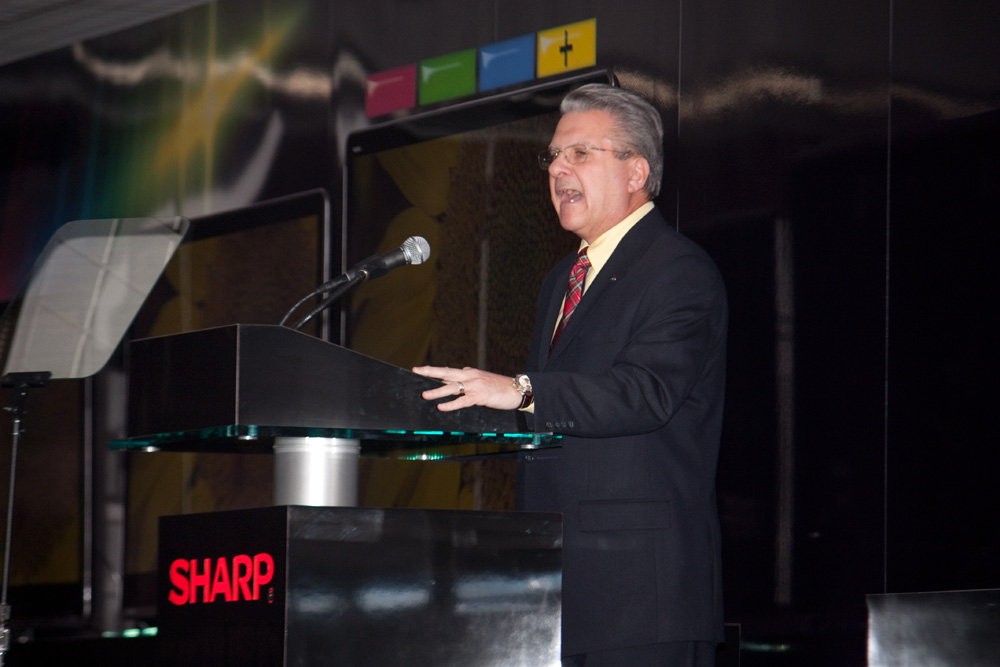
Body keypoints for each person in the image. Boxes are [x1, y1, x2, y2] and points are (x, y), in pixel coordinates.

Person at [413, 83, 727, 666]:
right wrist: (458, 407)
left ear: (636, 172)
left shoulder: (678, 271)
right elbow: (547, 416)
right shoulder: (561, 279)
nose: (558, 169)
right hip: (554, 592)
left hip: (641, 595)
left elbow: (645, 393)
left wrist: (519, 390)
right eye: (554, 156)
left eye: (580, 153)